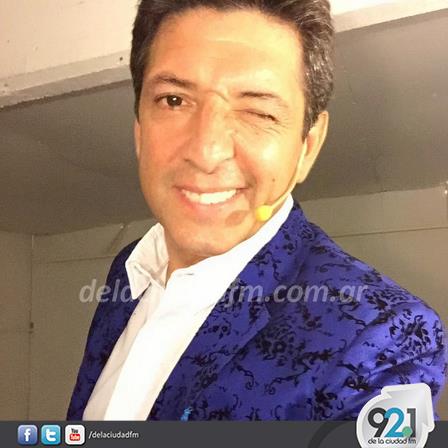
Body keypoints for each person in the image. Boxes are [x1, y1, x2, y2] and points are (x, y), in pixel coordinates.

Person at [67, 0, 447, 421]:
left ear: (307, 147)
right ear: (139, 129)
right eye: (173, 100)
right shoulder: (130, 269)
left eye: (259, 112)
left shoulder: (382, 337)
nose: (206, 152)